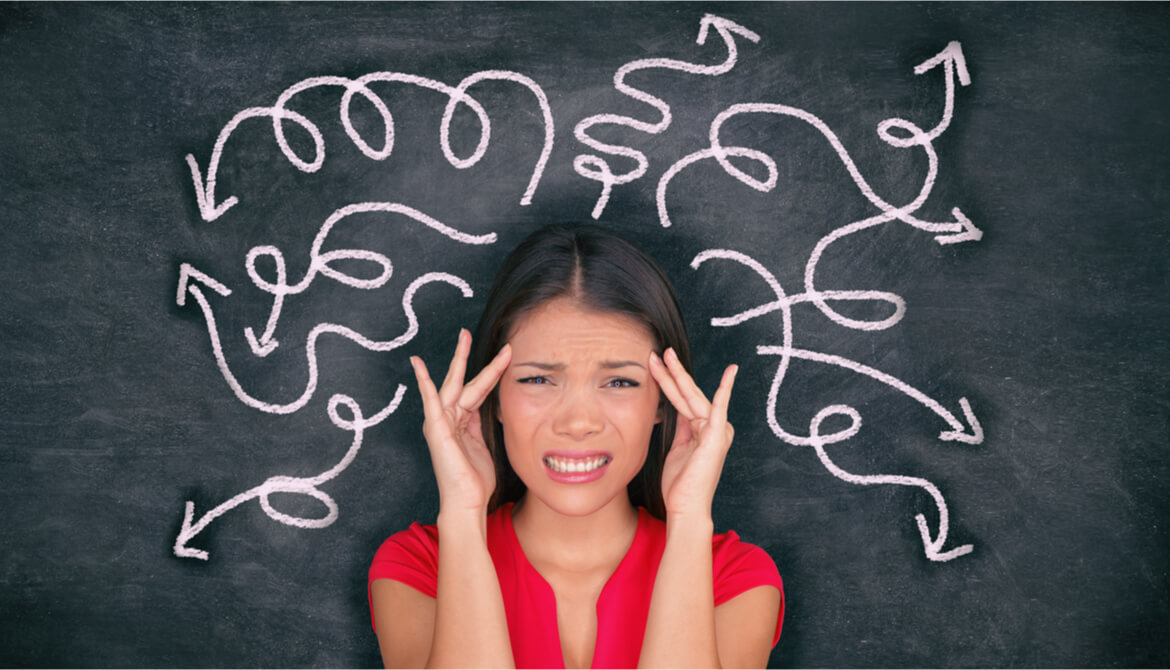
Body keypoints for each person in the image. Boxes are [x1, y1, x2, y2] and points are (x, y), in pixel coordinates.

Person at [368, 224, 783, 668]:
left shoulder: (735, 579)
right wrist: (464, 514)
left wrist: (689, 519)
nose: (579, 422)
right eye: (538, 380)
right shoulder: (419, 567)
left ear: (663, 403)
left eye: (619, 382)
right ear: (494, 397)